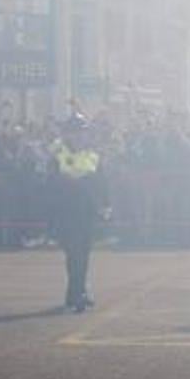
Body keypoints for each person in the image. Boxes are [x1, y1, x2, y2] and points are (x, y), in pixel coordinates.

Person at [50, 113, 108, 313]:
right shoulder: (57, 154)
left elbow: (101, 182)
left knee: (83, 252)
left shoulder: (93, 155)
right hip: (67, 211)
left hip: (87, 211)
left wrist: (104, 205)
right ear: (67, 134)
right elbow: (51, 182)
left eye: (82, 132)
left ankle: (78, 290)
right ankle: (77, 292)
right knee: (73, 252)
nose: (79, 136)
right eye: (75, 132)